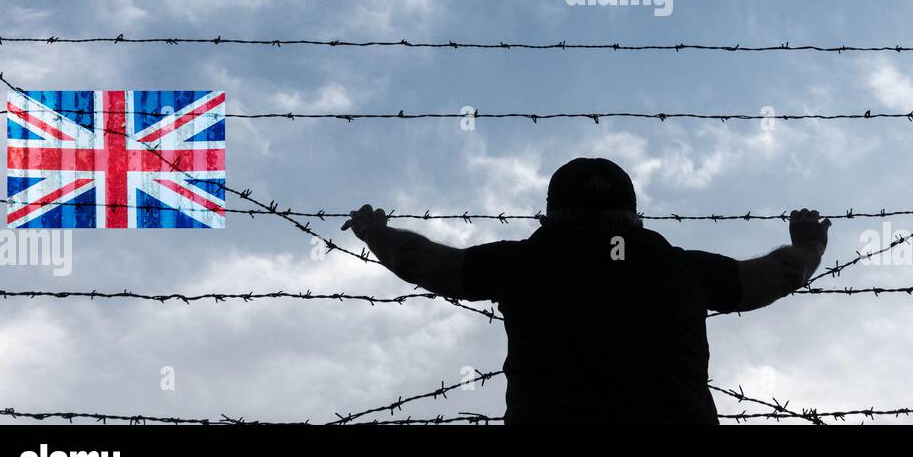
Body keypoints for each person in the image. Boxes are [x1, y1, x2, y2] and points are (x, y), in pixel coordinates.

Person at [343, 156, 831, 424]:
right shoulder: (678, 268)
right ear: (634, 215)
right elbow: (773, 277)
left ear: (551, 214)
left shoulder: (526, 260)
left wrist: (376, 234)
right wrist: (808, 247)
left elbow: (428, 264)